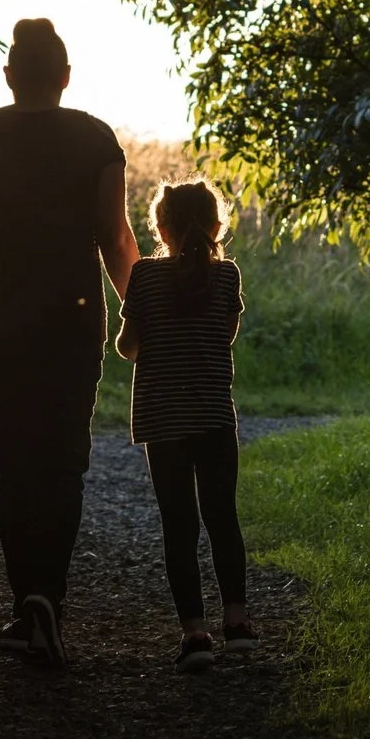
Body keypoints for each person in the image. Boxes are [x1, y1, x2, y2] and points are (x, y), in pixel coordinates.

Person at [0, 18, 138, 667]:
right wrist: (142, 313)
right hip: (72, 319)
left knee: (16, 461)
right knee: (63, 460)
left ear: (8, 76)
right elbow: (116, 239)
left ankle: (26, 602)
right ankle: (48, 599)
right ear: (66, 77)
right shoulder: (95, 138)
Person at [114, 179, 257, 673]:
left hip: (163, 419)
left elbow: (127, 346)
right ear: (219, 226)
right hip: (214, 416)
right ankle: (237, 624)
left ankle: (195, 634)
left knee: (179, 526)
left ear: (160, 227)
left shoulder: (144, 277)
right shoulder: (229, 276)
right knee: (223, 519)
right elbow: (225, 336)